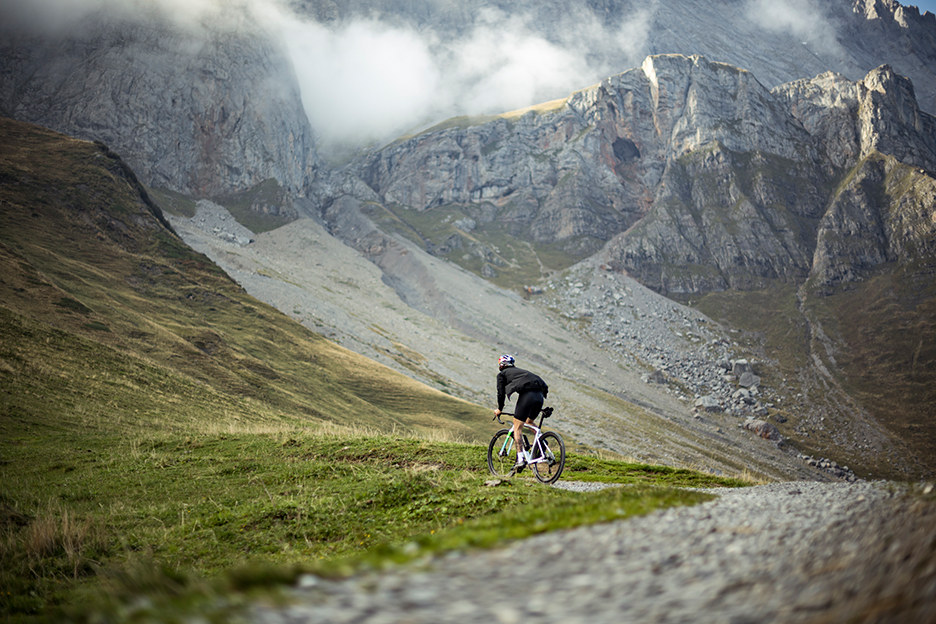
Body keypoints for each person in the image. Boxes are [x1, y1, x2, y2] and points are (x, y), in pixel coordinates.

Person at [493, 354, 548, 470]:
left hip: (527, 397)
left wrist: (500, 409)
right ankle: (543, 443)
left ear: (501, 365)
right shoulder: (521, 372)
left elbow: (500, 393)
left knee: (517, 427)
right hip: (539, 396)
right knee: (529, 421)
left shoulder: (502, 374)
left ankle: (520, 459)